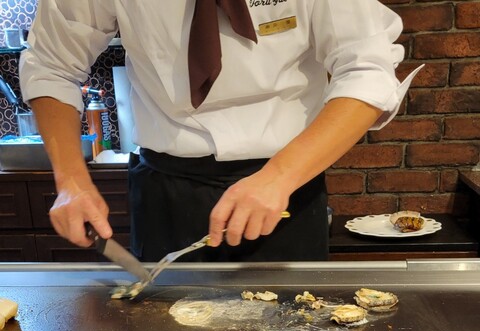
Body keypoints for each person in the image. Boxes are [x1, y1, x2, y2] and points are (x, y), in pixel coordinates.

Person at [19, 0, 420, 262]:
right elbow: (52, 65)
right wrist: (71, 180)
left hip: (285, 190)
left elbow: (367, 69)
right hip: (165, 193)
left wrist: (280, 176)